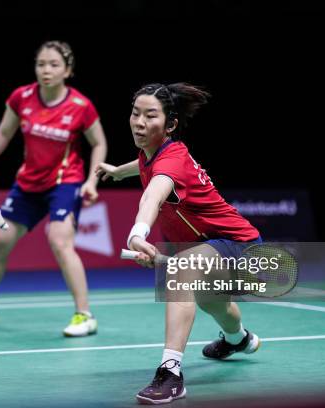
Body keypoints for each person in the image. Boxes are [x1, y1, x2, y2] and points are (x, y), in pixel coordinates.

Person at [96, 83, 261, 404]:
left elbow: (153, 195)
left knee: (182, 275)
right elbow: (144, 167)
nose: (139, 122)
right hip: (211, 244)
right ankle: (238, 339)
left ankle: (170, 373)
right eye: (135, 113)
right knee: (211, 302)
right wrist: (118, 172)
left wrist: (137, 234)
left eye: (150, 116)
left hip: (239, 243)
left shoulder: (171, 160)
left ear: (170, 125)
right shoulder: (152, 155)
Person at [0, 41, 108, 337]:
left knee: (60, 240)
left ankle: (84, 315)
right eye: (41, 64)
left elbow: (99, 142)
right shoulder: (21, 97)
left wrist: (92, 179)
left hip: (65, 183)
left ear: (68, 70)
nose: (46, 70)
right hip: (28, 184)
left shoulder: (80, 106)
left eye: (53, 65)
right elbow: (3, 133)